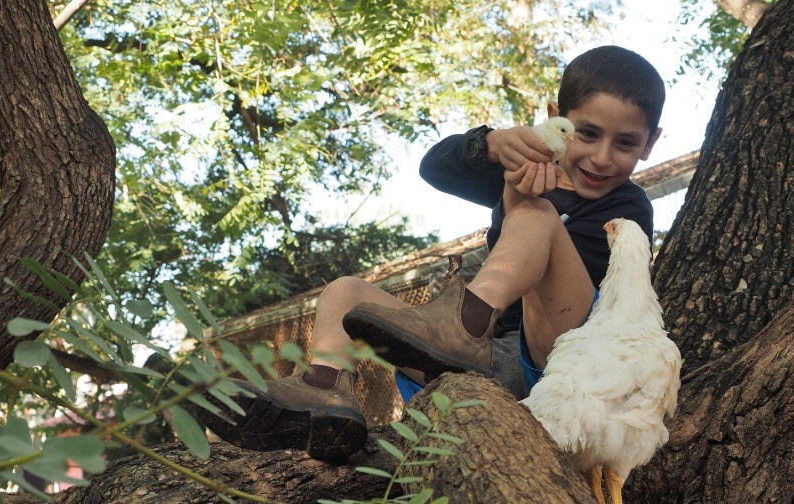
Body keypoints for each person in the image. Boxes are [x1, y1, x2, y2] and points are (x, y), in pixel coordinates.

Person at [197, 45, 664, 461]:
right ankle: (325, 395)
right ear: (554, 119)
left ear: (650, 145)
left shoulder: (627, 205)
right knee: (345, 293)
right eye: (587, 134)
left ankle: (464, 324)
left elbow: (594, 297)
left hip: (566, 362)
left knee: (538, 218)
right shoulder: (523, 167)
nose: (603, 158)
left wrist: (524, 205)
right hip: (482, 365)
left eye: (625, 143)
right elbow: (434, 168)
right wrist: (493, 145)